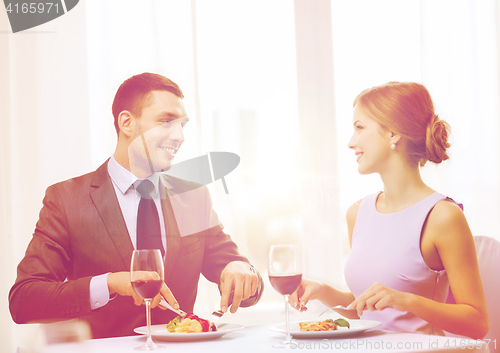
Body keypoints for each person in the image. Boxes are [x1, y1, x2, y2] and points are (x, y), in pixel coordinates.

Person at [9, 72, 263, 339]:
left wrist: (240, 270)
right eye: (166, 122)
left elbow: (239, 278)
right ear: (127, 123)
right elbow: (24, 301)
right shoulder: (67, 200)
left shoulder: (193, 197)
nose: (179, 136)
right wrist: (111, 283)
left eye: (182, 126)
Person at [290, 82, 489, 339]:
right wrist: (323, 292)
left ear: (393, 134)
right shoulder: (358, 213)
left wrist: (407, 301)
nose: (351, 142)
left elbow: (478, 323)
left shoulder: (442, 216)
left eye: (360, 128)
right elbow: (370, 312)